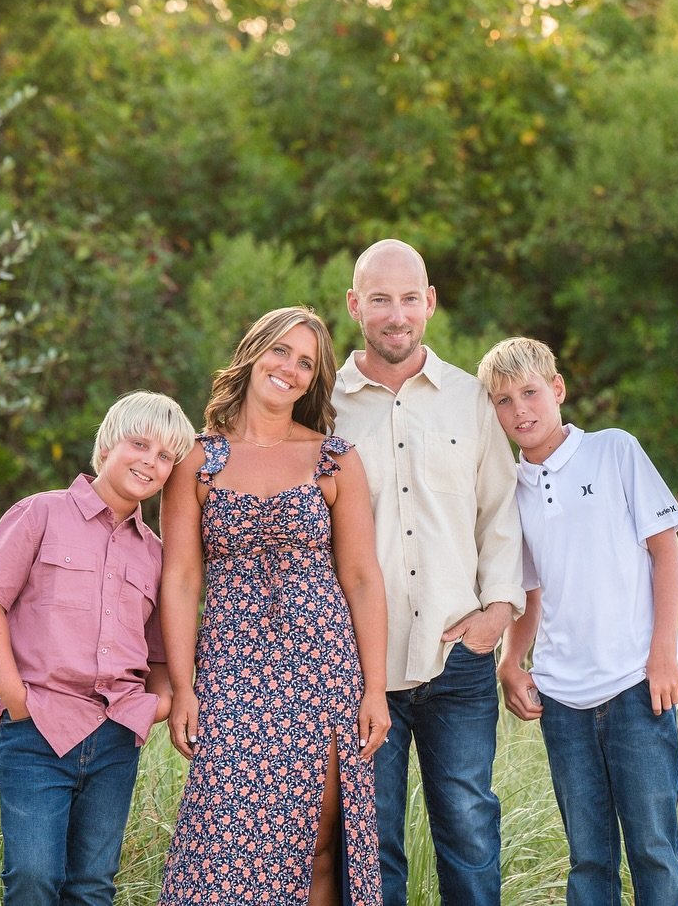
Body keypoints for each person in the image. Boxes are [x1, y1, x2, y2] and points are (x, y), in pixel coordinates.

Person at [159, 305, 391, 906]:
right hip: (231, 666)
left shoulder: (333, 457)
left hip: (323, 666)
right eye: (280, 352)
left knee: (319, 838)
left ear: (314, 381)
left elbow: (363, 577)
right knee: (222, 835)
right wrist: (183, 686)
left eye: (306, 363)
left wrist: (374, 689)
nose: (290, 368)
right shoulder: (195, 458)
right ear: (253, 353)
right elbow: (181, 577)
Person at [331, 239, 526, 905]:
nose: (396, 313)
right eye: (380, 299)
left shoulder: (470, 400)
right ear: (355, 305)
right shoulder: (324, 407)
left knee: (469, 829)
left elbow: (501, 510)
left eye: (409, 298)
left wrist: (497, 612)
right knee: (371, 840)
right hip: (360, 666)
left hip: (457, 658)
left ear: (430, 304)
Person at [477, 336, 678, 906]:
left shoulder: (614, 450)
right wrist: (510, 663)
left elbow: (666, 552)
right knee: (588, 858)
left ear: (558, 390)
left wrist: (663, 653)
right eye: (502, 400)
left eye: (529, 393)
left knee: (653, 850)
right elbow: (531, 589)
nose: (519, 409)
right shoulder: (509, 489)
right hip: (562, 699)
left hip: (635, 686)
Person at [0, 390, 197, 906]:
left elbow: (159, 653)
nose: (150, 462)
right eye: (140, 444)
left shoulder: (156, 556)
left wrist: (156, 704)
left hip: (116, 737)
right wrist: (16, 698)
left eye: (165, 457)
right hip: (38, 731)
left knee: (93, 885)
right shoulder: (39, 514)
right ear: (110, 443)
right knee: (33, 877)